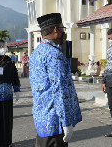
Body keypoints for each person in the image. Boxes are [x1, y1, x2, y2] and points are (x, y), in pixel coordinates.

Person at [29, 13, 82, 147]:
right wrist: (66, 122)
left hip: (43, 117)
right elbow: (59, 90)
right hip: (55, 120)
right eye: (62, 28)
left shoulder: (38, 51)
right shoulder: (54, 55)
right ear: (55, 30)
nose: (64, 32)